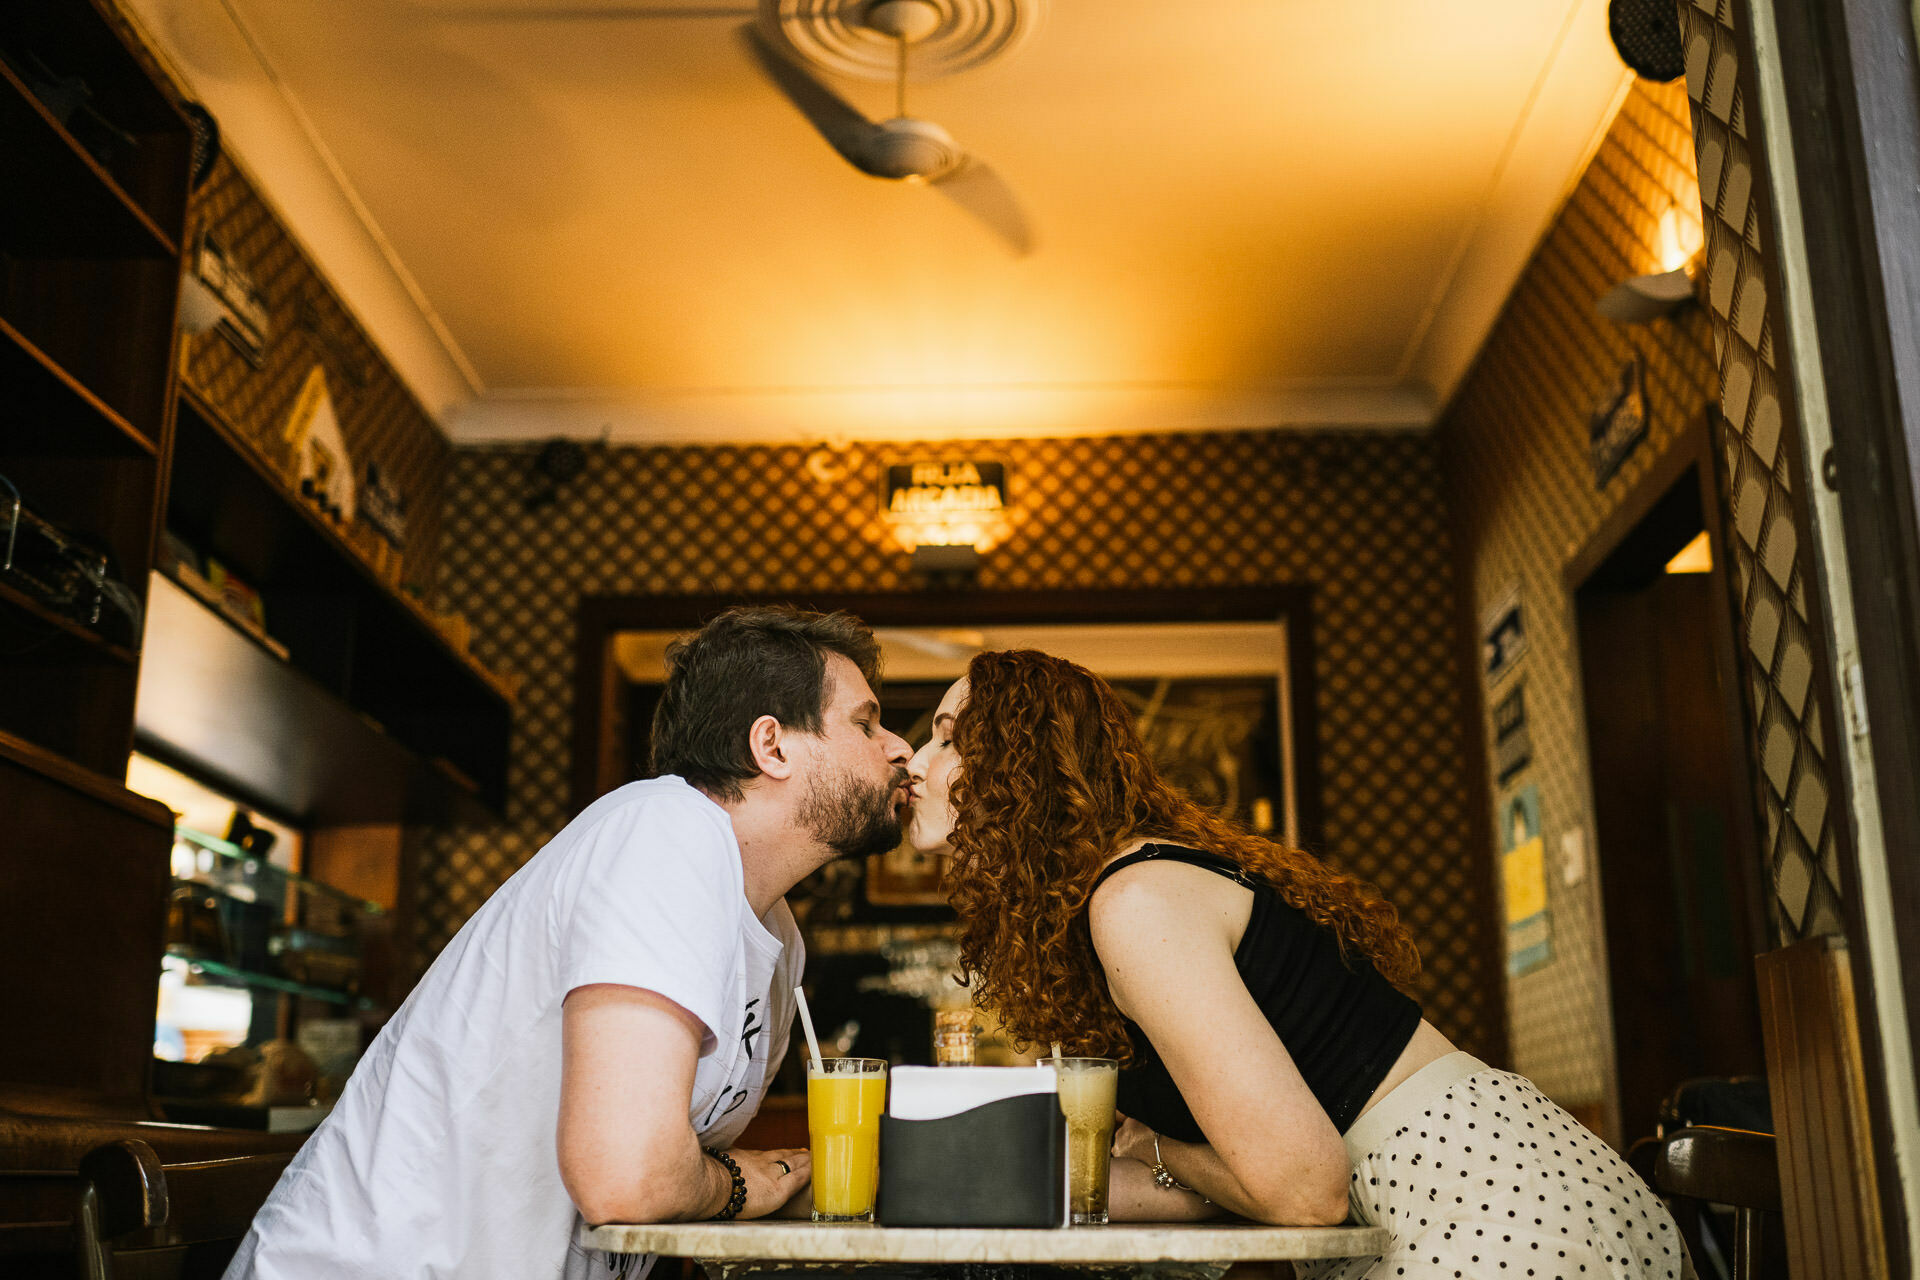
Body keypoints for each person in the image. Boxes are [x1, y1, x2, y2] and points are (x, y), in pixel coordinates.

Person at [903, 649, 1695, 1280]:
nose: (916, 759)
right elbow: (1234, 1185)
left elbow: (1304, 1191)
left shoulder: (1135, 902)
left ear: (1015, 764)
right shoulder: (1110, 904)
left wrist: (1151, 1146)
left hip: (1485, 1204)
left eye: (947, 735)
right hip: (1473, 1187)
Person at [227, 606, 914, 1280]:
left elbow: (675, 1176)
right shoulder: (666, 834)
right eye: (865, 722)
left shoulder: (775, 933)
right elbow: (630, 1178)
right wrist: (742, 1183)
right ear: (773, 746)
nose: (899, 747)